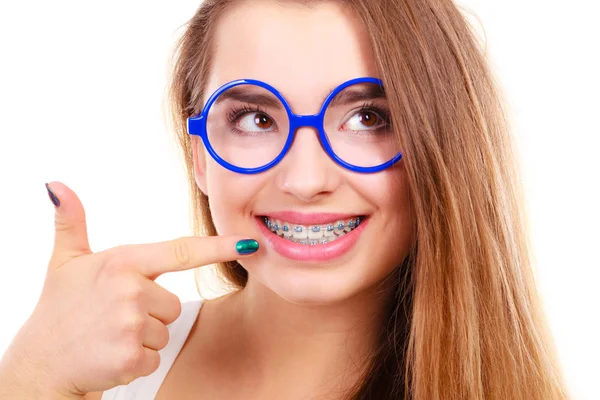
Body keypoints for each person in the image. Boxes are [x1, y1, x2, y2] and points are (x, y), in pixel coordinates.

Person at [0, 0, 571, 399]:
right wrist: (30, 380)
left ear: (446, 146)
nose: (304, 178)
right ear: (196, 152)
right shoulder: (98, 372)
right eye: (253, 118)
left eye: (368, 117)